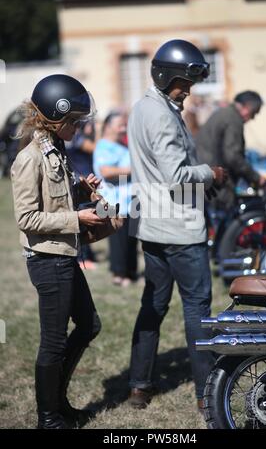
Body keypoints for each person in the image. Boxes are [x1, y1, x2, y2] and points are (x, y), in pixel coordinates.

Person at [11, 74, 122, 429]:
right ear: (55, 117)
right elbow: (26, 217)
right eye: (74, 121)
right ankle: (48, 418)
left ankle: (58, 405)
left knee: (89, 325)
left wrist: (81, 190)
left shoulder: (56, 150)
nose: (80, 128)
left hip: (63, 254)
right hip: (47, 259)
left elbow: (55, 200)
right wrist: (77, 215)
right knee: (53, 342)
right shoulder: (30, 158)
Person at [126, 39, 227, 412]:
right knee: (197, 309)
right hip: (180, 231)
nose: (188, 90)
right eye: (184, 82)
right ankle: (206, 394)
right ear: (165, 76)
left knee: (152, 307)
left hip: (152, 227)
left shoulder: (143, 108)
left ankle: (139, 386)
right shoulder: (162, 114)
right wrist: (212, 174)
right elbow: (176, 175)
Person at [196, 90, 265, 212]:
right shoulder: (233, 119)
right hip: (216, 182)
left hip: (204, 175)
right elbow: (233, 156)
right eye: (254, 113)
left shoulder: (224, 113)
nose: (252, 118)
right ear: (247, 108)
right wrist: (255, 177)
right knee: (224, 222)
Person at [93, 111, 137, 286]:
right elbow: (106, 171)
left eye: (124, 124)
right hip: (112, 201)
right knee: (118, 239)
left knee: (131, 238)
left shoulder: (123, 146)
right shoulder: (103, 147)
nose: (123, 128)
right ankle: (118, 274)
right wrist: (132, 170)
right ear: (108, 126)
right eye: (120, 124)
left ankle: (131, 272)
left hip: (130, 200)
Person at [65, 121, 98, 270]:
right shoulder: (77, 137)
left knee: (86, 221)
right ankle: (81, 257)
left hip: (85, 180)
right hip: (81, 181)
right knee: (82, 222)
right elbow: (96, 148)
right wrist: (99, 133)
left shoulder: (73, 136)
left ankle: (88, 255)